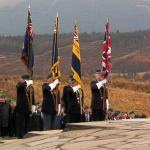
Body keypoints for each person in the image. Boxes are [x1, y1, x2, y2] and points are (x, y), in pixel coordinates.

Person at [15, 74, 33, 138]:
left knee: (27, 122)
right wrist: (26, 82)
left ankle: (26, 134)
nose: (26, 80)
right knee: (20, 122)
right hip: (20, 107)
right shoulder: (19, 85)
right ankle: (20, 135)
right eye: (25, 79)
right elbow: (20, 87)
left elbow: (31, 97)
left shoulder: (30, 87)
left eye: (27, 79)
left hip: (27, 107)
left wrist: (32, 107)